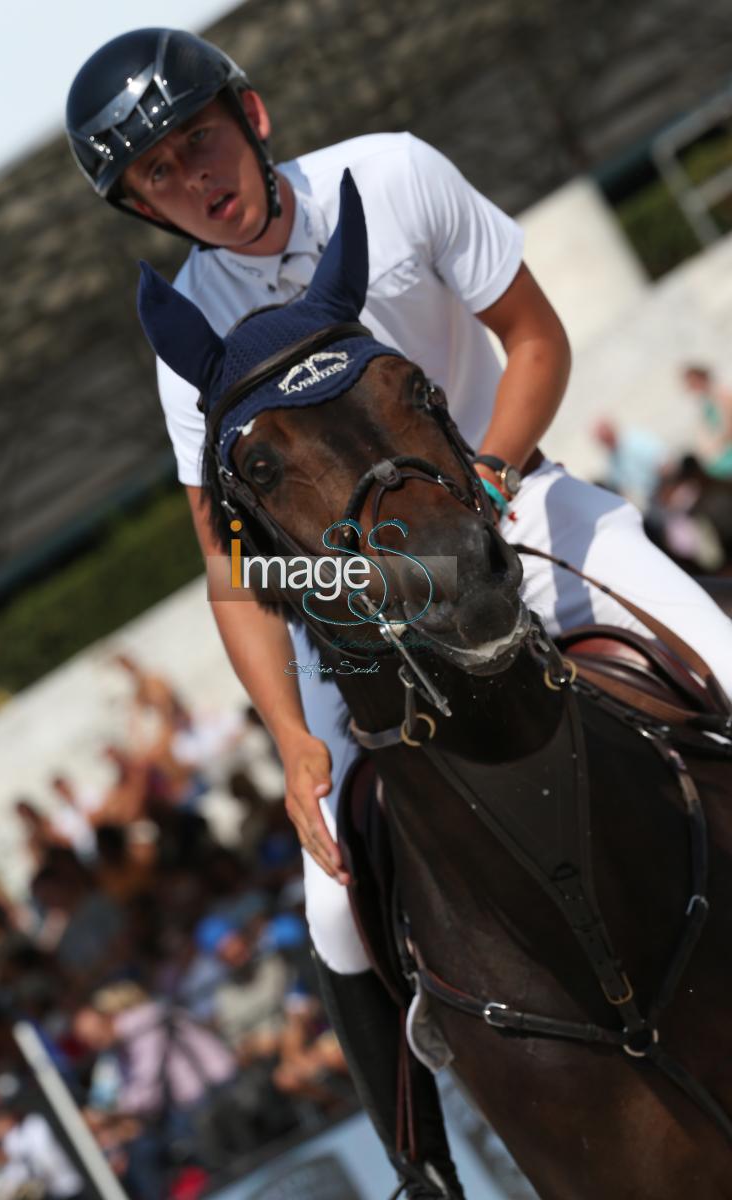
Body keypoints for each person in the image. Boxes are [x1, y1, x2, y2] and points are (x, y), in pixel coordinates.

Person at [66, 29, 732, 1197]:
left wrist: (478, 485)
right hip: (354, 608)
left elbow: (533, 338)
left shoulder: (395, 173)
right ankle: (418, 1163)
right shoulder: (188, 336)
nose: (192, 182)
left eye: (198, 143)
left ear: (252, 116)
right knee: (331, 910)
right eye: (156, 177)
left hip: (511, 510)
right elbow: (230, 559)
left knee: (725, 658)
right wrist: (288, 737)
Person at [681, 363, 732, 478]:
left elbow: (728, 429)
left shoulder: (723, 395)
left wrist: (715, 449)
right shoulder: (706, 402)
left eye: (692, 382)